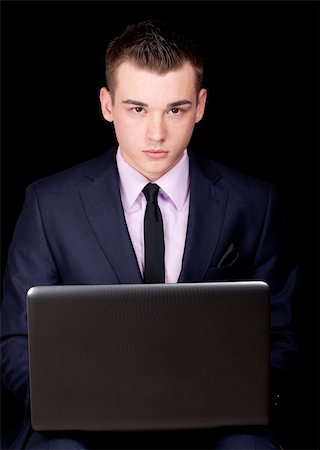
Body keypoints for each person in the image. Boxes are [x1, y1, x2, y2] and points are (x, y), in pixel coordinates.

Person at [1, 19, 299, 449]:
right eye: (137, 109)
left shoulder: (254, 203)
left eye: (175, 110)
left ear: (200, 106)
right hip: (82, 425)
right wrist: (71, 404)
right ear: (107, 105)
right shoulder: (49, 205)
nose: (156, 134)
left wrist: (231, 397)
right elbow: (15, 339)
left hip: (214, 422)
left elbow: (285, 333)